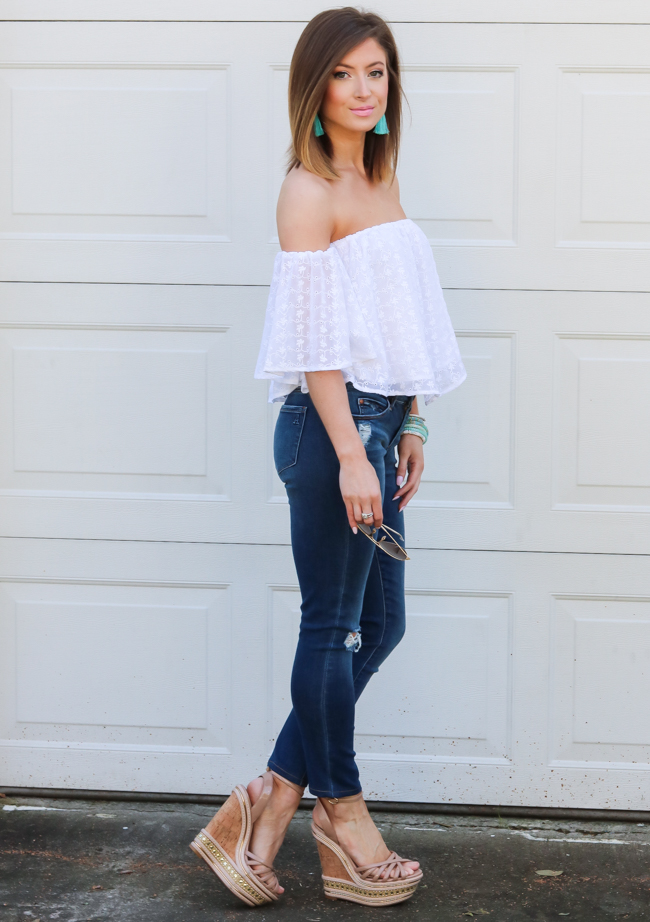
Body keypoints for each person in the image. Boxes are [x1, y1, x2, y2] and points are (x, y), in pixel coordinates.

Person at [190, 7, 466, 907]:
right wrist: (353, 453)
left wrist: (414, 423)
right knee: (333, 627)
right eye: (344, 73)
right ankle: (342, 817)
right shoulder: (307, 191)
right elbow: (314, 342)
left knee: (376, 627)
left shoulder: (380, 177)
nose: (362, 89)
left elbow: (403, 321)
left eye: (376, 72)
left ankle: (269, 800)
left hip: (382, 424)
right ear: (314, 88)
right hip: (331, 430)